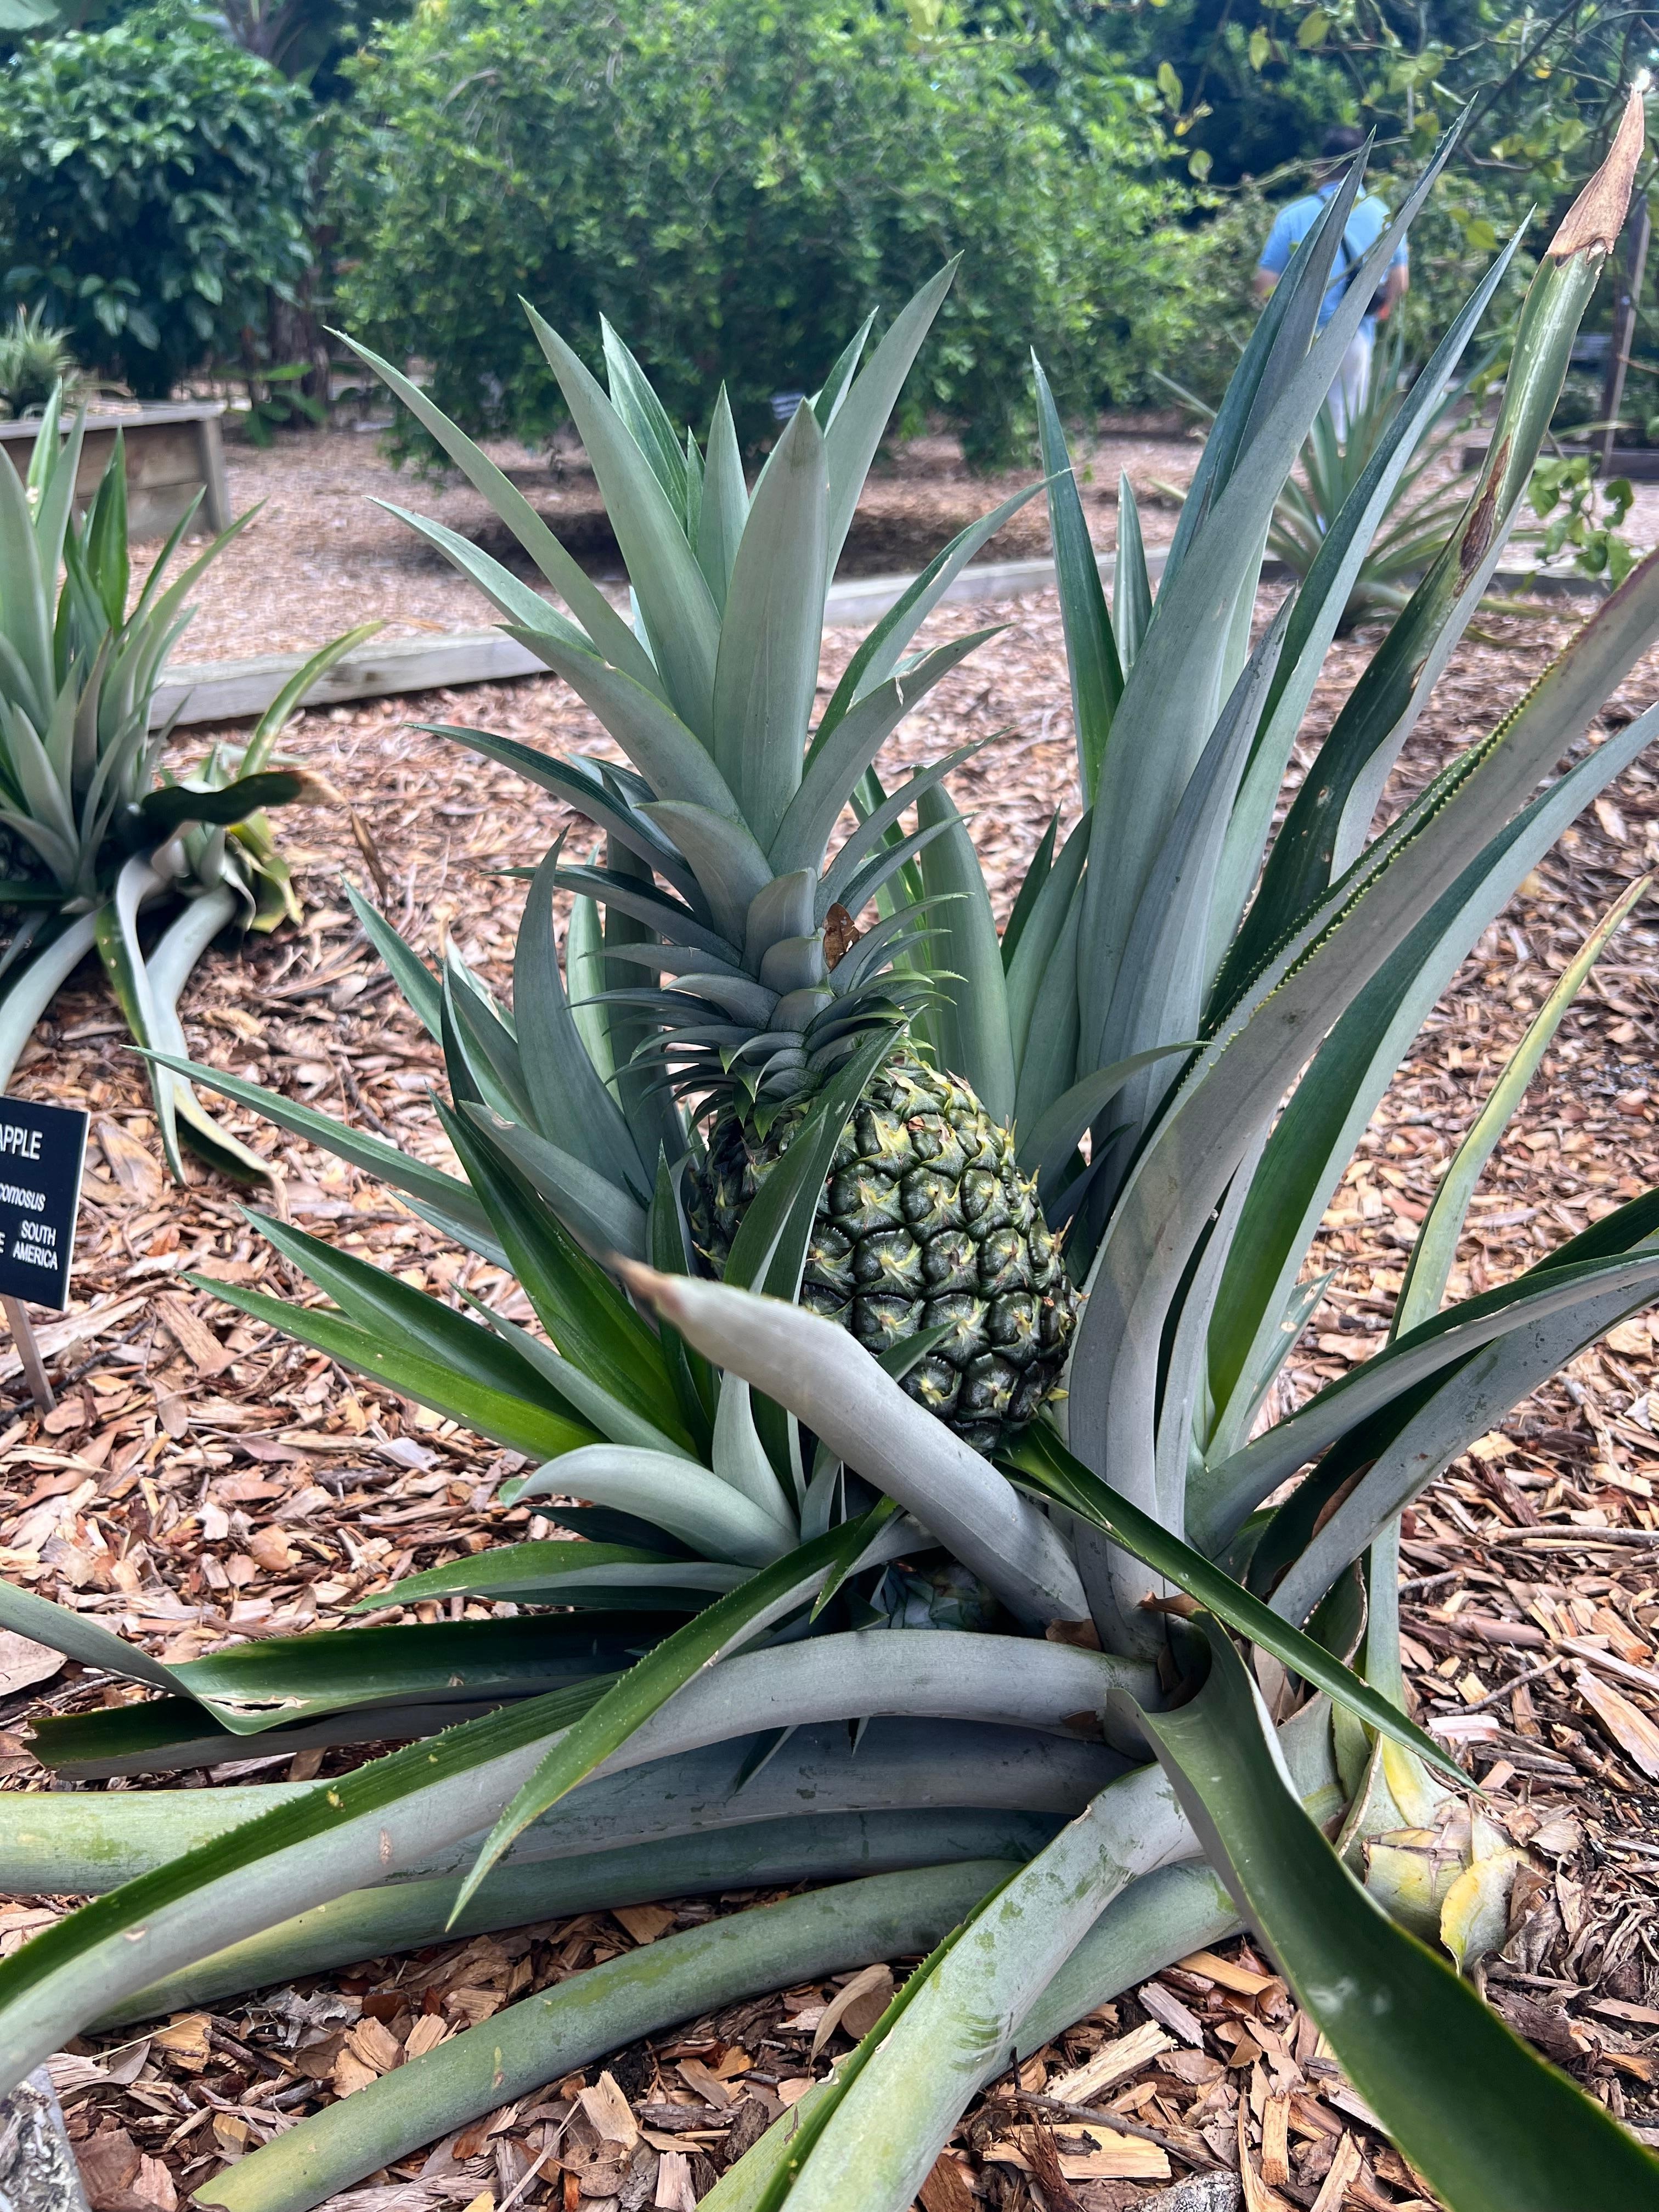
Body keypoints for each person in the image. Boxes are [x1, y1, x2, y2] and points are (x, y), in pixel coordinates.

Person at [1254, 124, 1409, 436]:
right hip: (1357, 335)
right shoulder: (1383, 215)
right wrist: (1381, 310)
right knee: (1344, 432)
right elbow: (1400, 282)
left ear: (1321, 165)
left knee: (1294, 434)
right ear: (1363, 170)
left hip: (1302, 339)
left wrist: (1286, 320)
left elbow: (1264, 284)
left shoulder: (1294, 216)